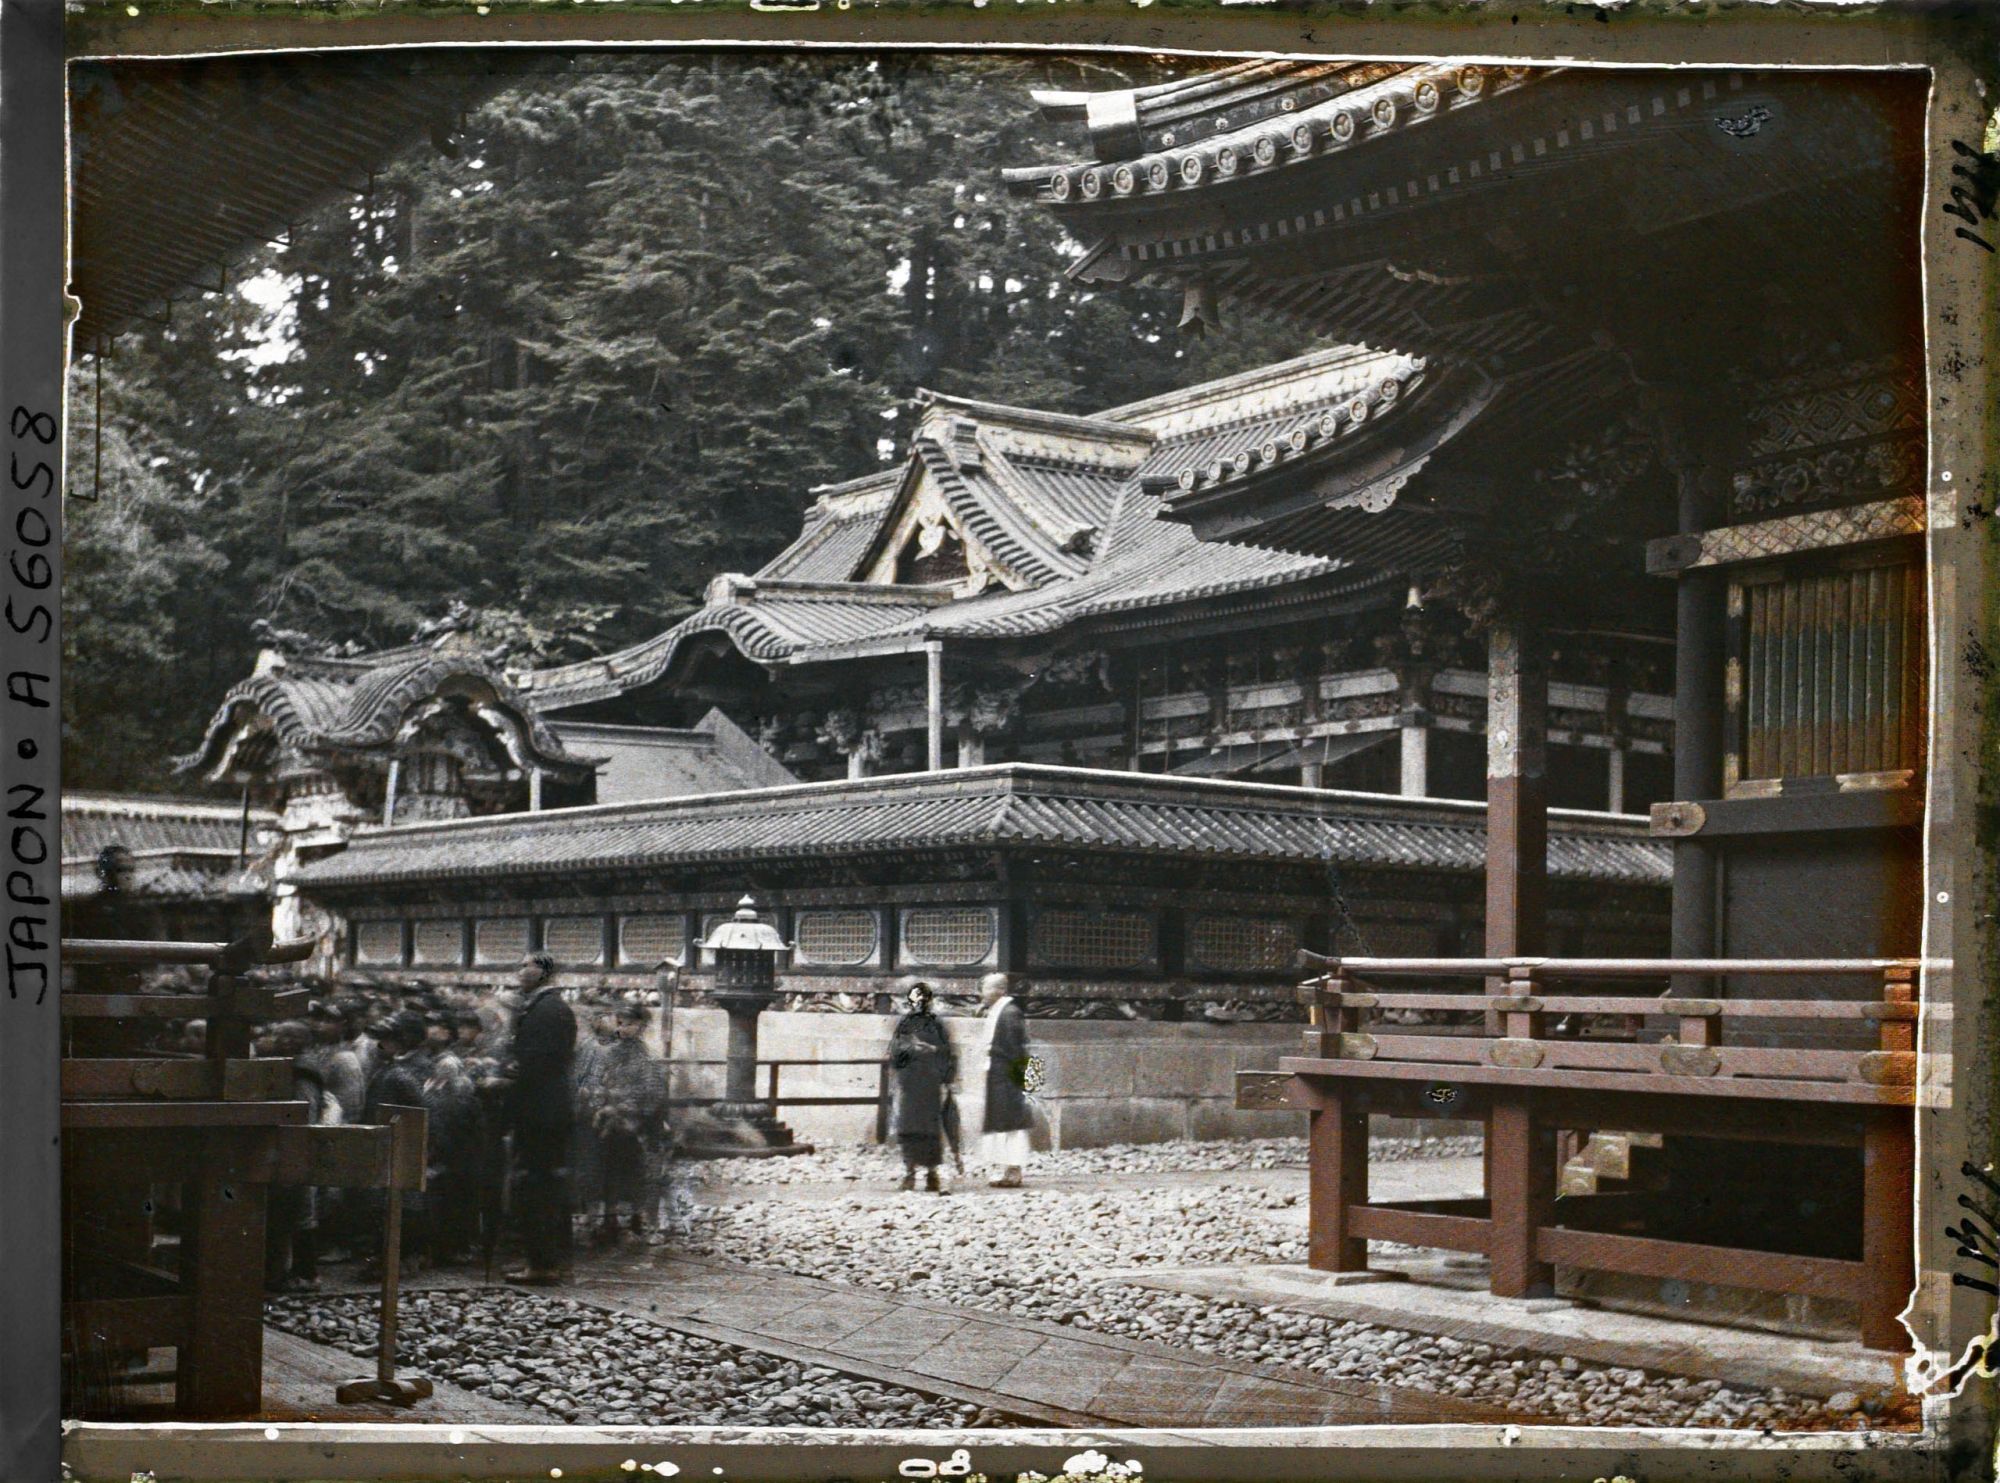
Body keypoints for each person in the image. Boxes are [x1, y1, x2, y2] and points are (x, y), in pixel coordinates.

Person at [504, 951, 576, 1285]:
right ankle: (545, 1259)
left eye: (526, 965)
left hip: (540, 1110)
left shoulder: (548, 1011)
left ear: (543, 971)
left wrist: (508, 1078)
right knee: (542, 1185)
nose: (520, 971)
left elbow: (539, 1064)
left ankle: (543, 1262)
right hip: (545, 1107)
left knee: (538, 1185)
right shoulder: (546, 1008)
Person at [581, 1001, 667, 1244]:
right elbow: (595, 1083)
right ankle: (608, 1219)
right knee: (607, 1170)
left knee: (640, 1171)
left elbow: (653, 1092)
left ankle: (640, 1218)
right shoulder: (607, 1054)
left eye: (630, 1024)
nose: (624, 1029)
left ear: (642, 1026)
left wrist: (632, 1110)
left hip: (638, 1123)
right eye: (620, 1023)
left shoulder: (648, 1058)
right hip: (609, 1122)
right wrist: (601, 1107)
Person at [886, 983, 955, 1194]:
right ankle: (910, 1172)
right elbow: (895, 1051)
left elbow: (947, 1052)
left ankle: (932, 1174)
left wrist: (933, 1050)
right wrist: (910, 1049)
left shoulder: (938, 1025)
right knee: (909, 1129)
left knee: (930, 1130)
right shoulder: (905, 1024)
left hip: (930, 1083)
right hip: (910, 1082)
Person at [977, 973, 1033, 1188]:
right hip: (999, 1074)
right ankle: (1004, 1168)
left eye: (985, 988)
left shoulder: (1009, 1014)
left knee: (1009, 1123)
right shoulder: (1000, 1012)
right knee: (1001, 1122)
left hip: (1007, 1075)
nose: (982, 993)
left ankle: (1012, 1169)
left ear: (999, 990)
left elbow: (1015, 1050)